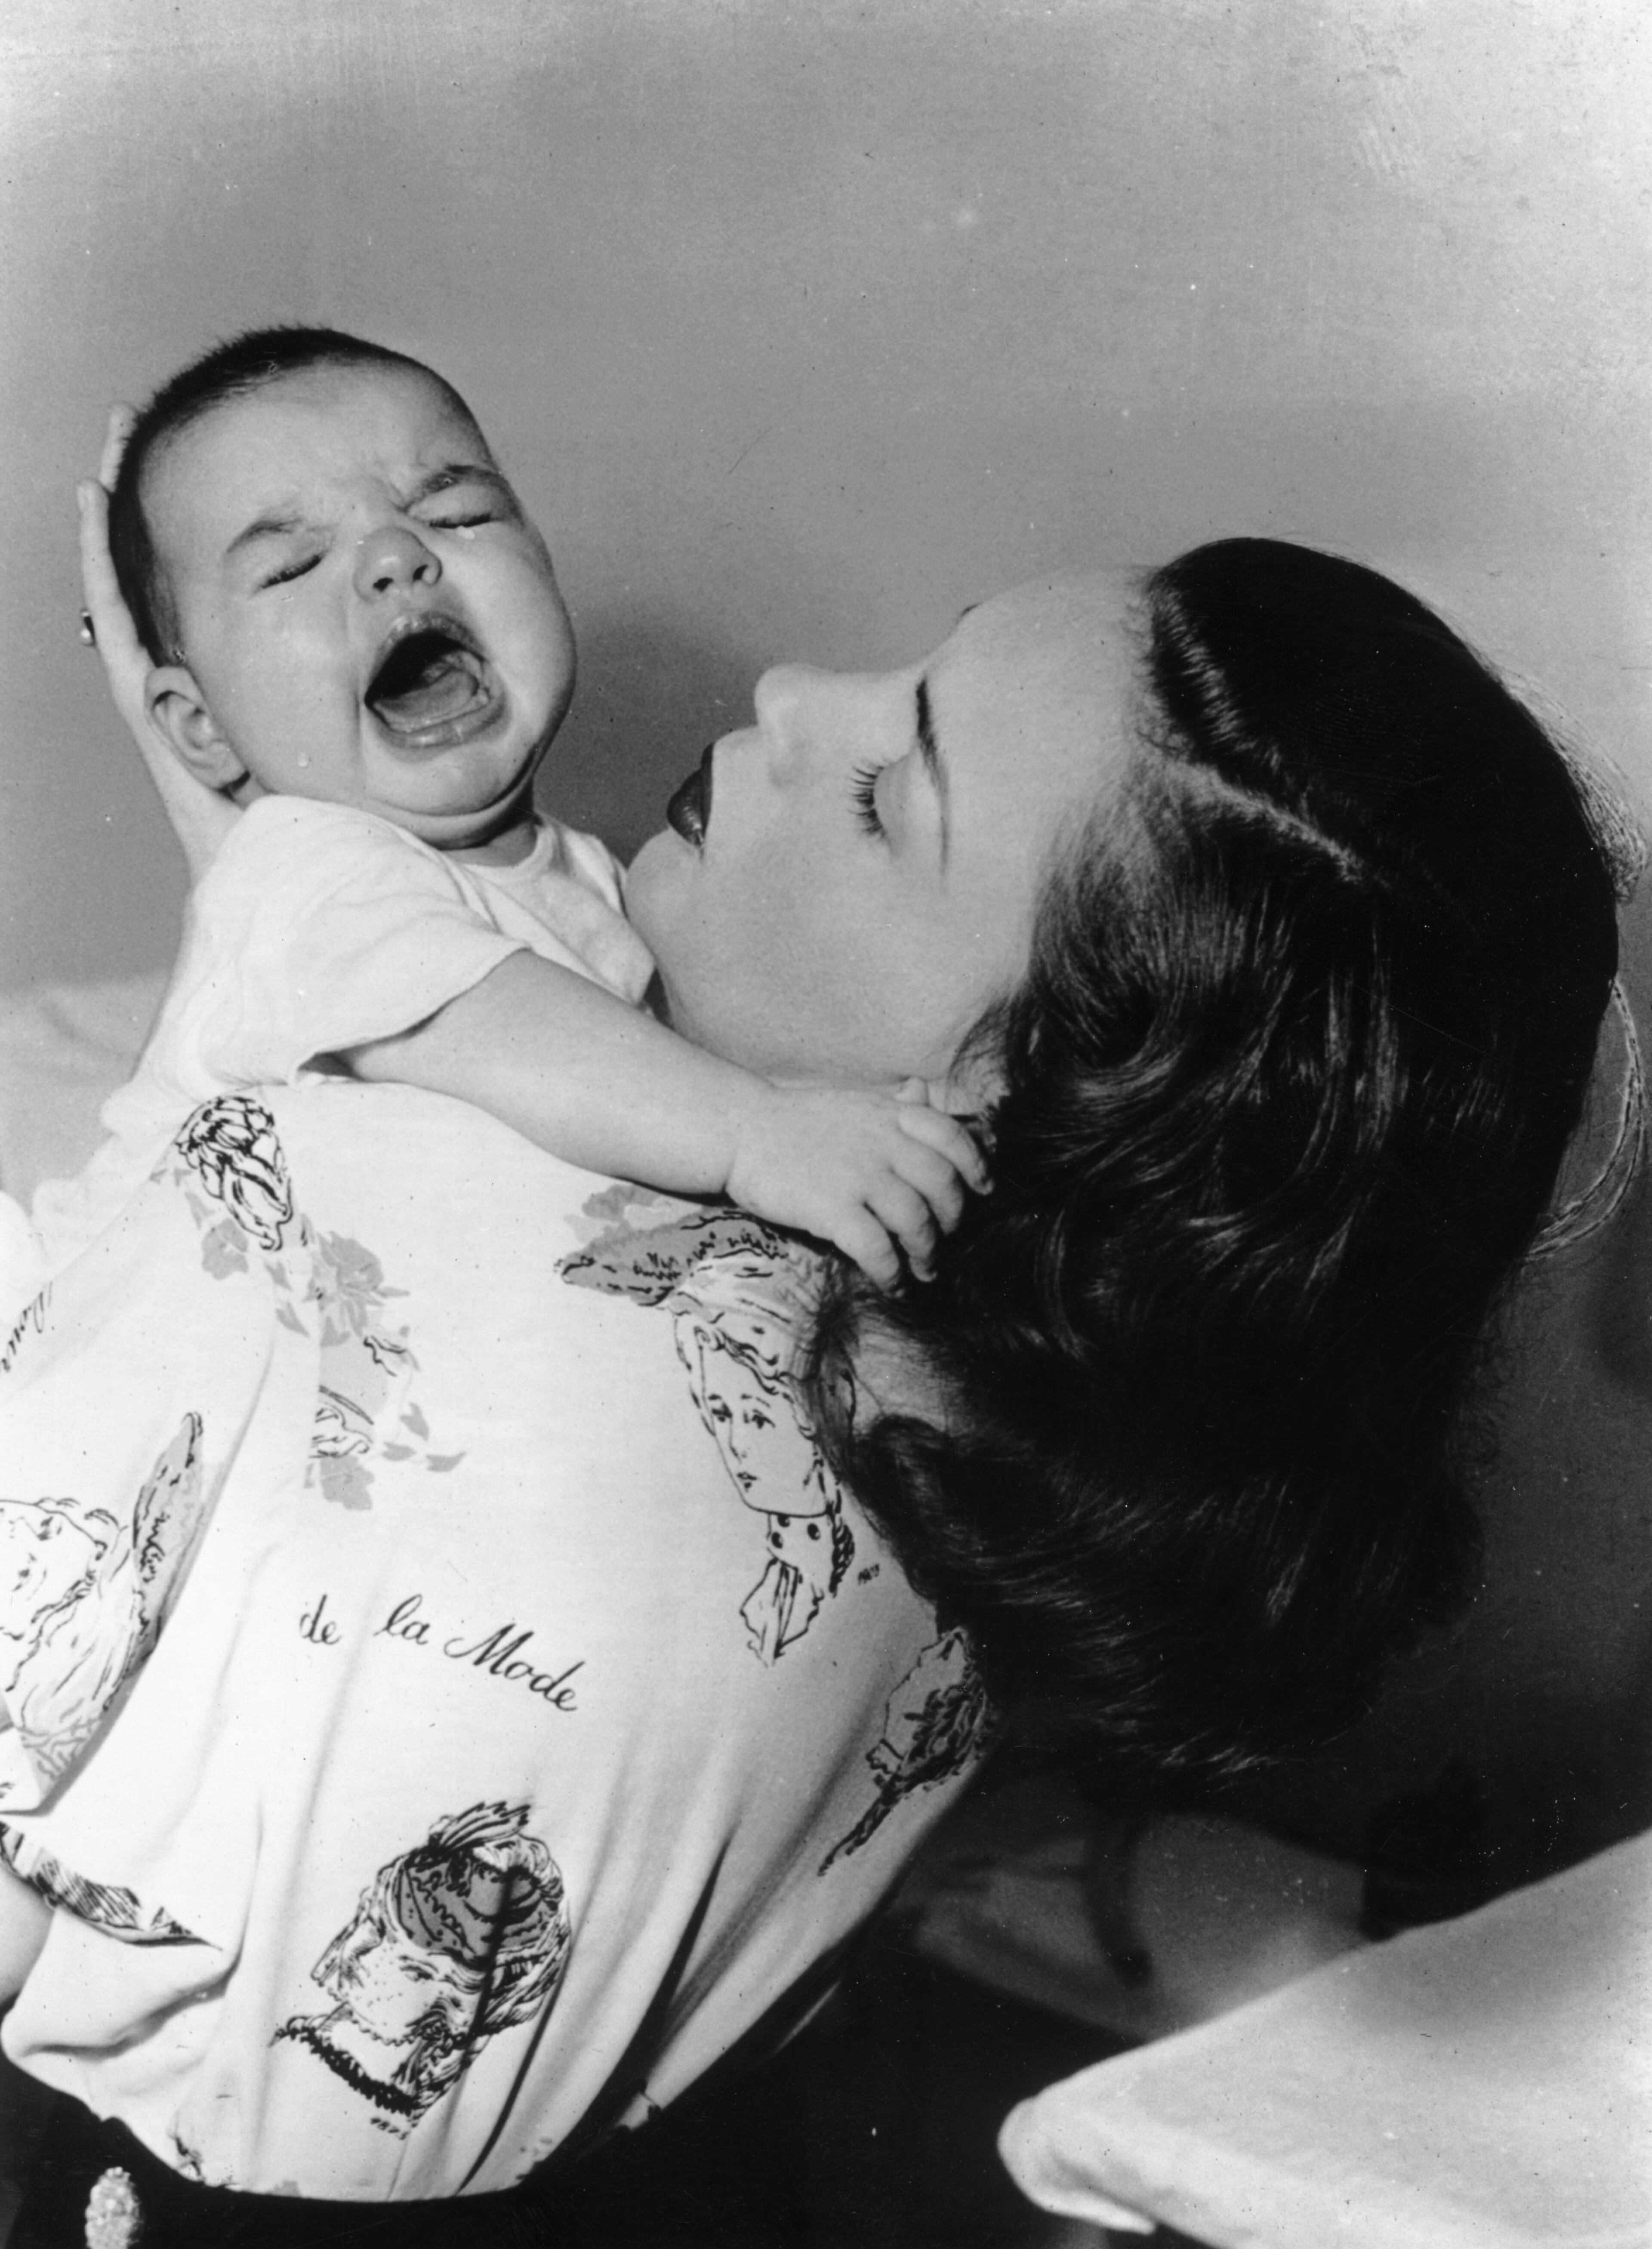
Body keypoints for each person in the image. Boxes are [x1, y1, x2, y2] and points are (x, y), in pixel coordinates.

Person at [0, 532, 1623, 2243]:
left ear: (1036, 1095)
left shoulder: (480, 1318)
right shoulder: (959, 1431)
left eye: (885, 794)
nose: (787, 701)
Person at [1, 328, 981, 1322]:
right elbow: (489, 1020)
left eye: (457, 512)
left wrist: (869, 1118)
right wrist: (755, 1133)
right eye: (294, 566)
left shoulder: (594, 878)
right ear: (201, 728)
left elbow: (645, 1076)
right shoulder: (299, 872)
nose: (396, 557)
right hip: (76, 1346)